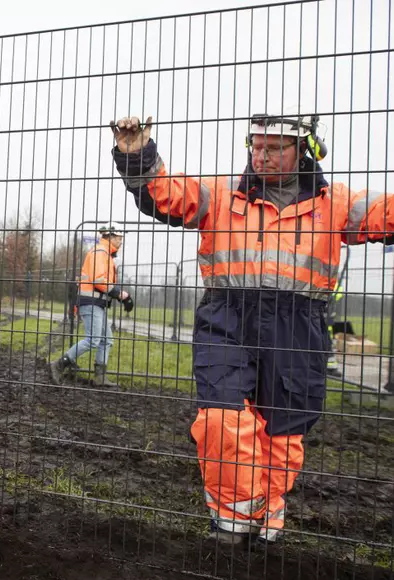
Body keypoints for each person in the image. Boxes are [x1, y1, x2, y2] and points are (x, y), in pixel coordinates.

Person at [110, 110, 394, 544]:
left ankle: (267, 516)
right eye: (255, 146)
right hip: (229, 316)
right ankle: (230, 519)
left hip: (298, 325)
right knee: (222, 417)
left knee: (285, 431)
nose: (260, 156)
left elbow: (382, 213)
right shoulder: (222, 193)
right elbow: (163, 194)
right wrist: (137, 154)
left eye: (273, 148)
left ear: (303, 151)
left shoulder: (334, 202)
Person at [50, 223, 133, 387]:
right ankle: (58, 365)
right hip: (91, 302)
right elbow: (99, 280)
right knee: (93, 339)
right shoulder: (100, 252)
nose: (121, 241)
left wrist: (119, 295)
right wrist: (120, 295)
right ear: (109, 237)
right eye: (118, 238)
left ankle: (100, 377)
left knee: (106, 340)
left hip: (97, 303)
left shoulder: (106, 254)